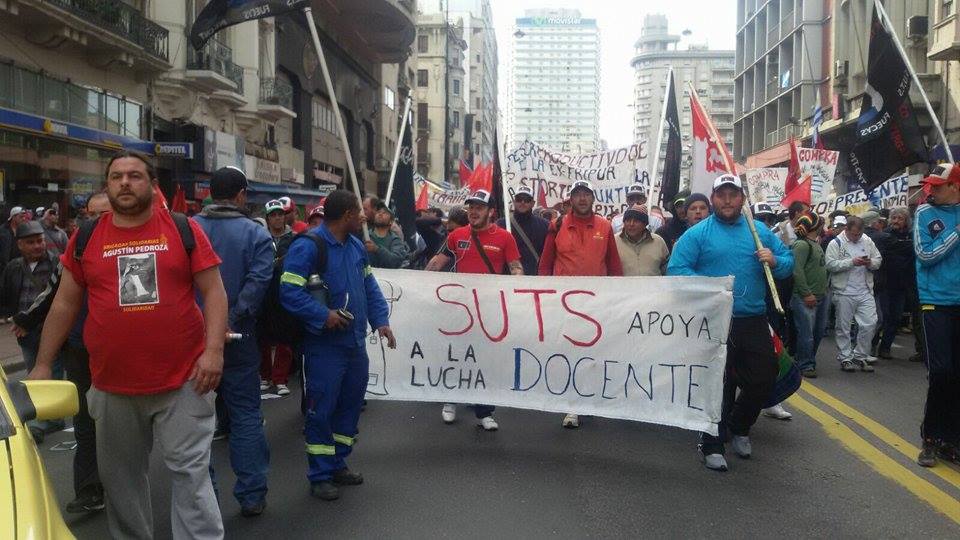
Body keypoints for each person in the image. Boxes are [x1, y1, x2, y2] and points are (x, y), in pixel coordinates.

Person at [27, 151, 228, 539]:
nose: (124, 183)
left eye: (134, 176)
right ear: (107, 186)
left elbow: (215, 292)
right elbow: (65, 303)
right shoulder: (86, 237)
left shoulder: (183, 229)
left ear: (152, 186)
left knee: (191, 475)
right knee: (121, 484)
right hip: (111, 384)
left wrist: (214, 351)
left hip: (185, 379)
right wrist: (41, 364)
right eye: (116, 176)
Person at [667, 174, 794, 472]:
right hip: (712, 320)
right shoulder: (697, 234)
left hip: (752, 318)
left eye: (733, 194)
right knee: (717, 385)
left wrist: (774, 260)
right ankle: (712, 443)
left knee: (764, 377)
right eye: (721, 195)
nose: (727, 200)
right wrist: (712, 286)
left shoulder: (758, 230)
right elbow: (676, 269)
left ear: (742, 199)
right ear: (713, 200)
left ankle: (740, 425)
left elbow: (788, 265)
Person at [280, 189, 395, 501]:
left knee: (349, 405)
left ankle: (337, 462)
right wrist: (323, 315)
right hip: (324, 347)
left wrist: (381, 320)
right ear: (346, 216)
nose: (363, 217)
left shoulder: (356, 247)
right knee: (321, 410)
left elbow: (369, 286)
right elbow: (289, 292)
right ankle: (319, 475)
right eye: (358, 212)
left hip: (355, 344)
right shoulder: (309, 247)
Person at [12, 191, 111, 513]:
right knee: (85, 421)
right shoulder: (78, 246)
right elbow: (54, 293)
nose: (95, 221)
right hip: (79, 349)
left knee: (121, 423)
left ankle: (124, 486)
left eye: (102, 214)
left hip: (116, 353)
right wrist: (26, 320)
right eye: (90, 215)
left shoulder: (126, 249)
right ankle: (89, 489)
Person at [193, 166, 274, 517]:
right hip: (238, 339)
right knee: (245, 415)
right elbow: (258, 284)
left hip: (193, 340)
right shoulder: (256, 234)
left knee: (196, 422)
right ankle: (252, 494)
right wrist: (229, 322)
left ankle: (205, 498)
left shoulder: (188, 228)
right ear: (241, 195)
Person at [426, 189, 523, 430]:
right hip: (459, 309)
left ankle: (484, 412)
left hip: (489, 310)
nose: (473, 211)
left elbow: (516, 268)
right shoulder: (457, 235)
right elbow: (437, 262)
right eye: (471, 207)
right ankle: (449, 401)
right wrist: (420, 284)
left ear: (491, 212)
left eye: (479, 207)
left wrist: (519, 291)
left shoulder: (505, 238)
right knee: (456, 354)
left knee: (485, 360)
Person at [539, 179, 623, 428]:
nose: (583, 199)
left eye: (587, 194)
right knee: (570, 351)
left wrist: (619, 295)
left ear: (593, 199)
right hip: (565, 303)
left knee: (594, 351)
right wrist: (544, 294)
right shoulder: (556, 225)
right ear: (571, 199)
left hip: (596, 302)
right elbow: (545, 263)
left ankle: (589, 395)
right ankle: (572, 405)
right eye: (578, 194)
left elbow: (614, 264)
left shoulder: (605, 226)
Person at [913, 164, 960, 467]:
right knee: (941, 372)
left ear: (955, 187)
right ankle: (930, 437)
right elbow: (926, 255)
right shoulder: (924, 214)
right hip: (935, 302)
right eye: (930, 185)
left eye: (938, 186)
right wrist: (957, 231)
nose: (931, 190)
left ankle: (951, 440)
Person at [1, 220, 65, 437]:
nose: (37, 246)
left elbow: (58, 298)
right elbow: (8, 295)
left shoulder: (57, 263)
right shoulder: (14, 267)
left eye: (40, 241)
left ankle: (53, 417)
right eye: (31, 242)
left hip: (51, 328)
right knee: (34, 372)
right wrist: (13, 318)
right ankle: (44, 414)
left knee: (51, 372)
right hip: (25, 332)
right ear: (20, 245)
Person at [825, 215, 882, 372]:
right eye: (854, 234)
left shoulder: (867, 240)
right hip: (844, 291)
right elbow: (830, 264)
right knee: (843, 327)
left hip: (865, 289)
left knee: (870, 323)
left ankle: (860, 355)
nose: (857, 237)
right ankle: (845, 357)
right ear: (846, 230)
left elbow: (878, 259)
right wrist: (851, 262)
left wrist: (870, 262)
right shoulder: (836, 243)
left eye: (859, 234)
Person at [260, 199, 296, 395]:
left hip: (287, 291)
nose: (277, 218)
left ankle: (280, 379)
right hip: (264, 291)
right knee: (263, 336)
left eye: (280, 214)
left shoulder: (294, 238)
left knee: (286, 336)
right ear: (267, 219)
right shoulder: (260, 238)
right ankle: (265, 376)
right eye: (273, 215)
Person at [790, 212, 829, 378]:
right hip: (804, 298)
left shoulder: (815, 243)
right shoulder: (802, 245)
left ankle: (806, 359)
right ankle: (805, 364)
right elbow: (796, 270)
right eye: (821, 223)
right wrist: (806, 293)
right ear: (815, 226)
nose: (823, 226)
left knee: (818, 331)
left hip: (821, 295)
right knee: (807, 334)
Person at [497, 185, 548, 276]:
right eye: (519, 199)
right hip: (508, 279)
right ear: (514, 201)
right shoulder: (501, 224)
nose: (523, 202)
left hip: (535, 279)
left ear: (533, 203)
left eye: (527, 199)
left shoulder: (544, 225)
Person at [615, 205, 669, 276]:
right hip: (623, 286)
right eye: (628, 220)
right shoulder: (614, 241)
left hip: (654, 286)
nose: (631, 224)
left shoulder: (658, 241)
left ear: (645, 224)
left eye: (636, 221)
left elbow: (666, 269)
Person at [365, 202, 409, 269]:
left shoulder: (396, 240)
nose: (380, 214)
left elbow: (395, 262)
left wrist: (377, 249)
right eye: (378, 212)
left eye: (384, 213)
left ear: (391, 221)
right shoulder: (365, 235)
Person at [0, 206, 29, 274]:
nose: (24, 219)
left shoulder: (25, 230)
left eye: (24, 217)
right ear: (13, 217)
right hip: (4, 267)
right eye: (21, 217)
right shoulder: (2, 230)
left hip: (20, 266)